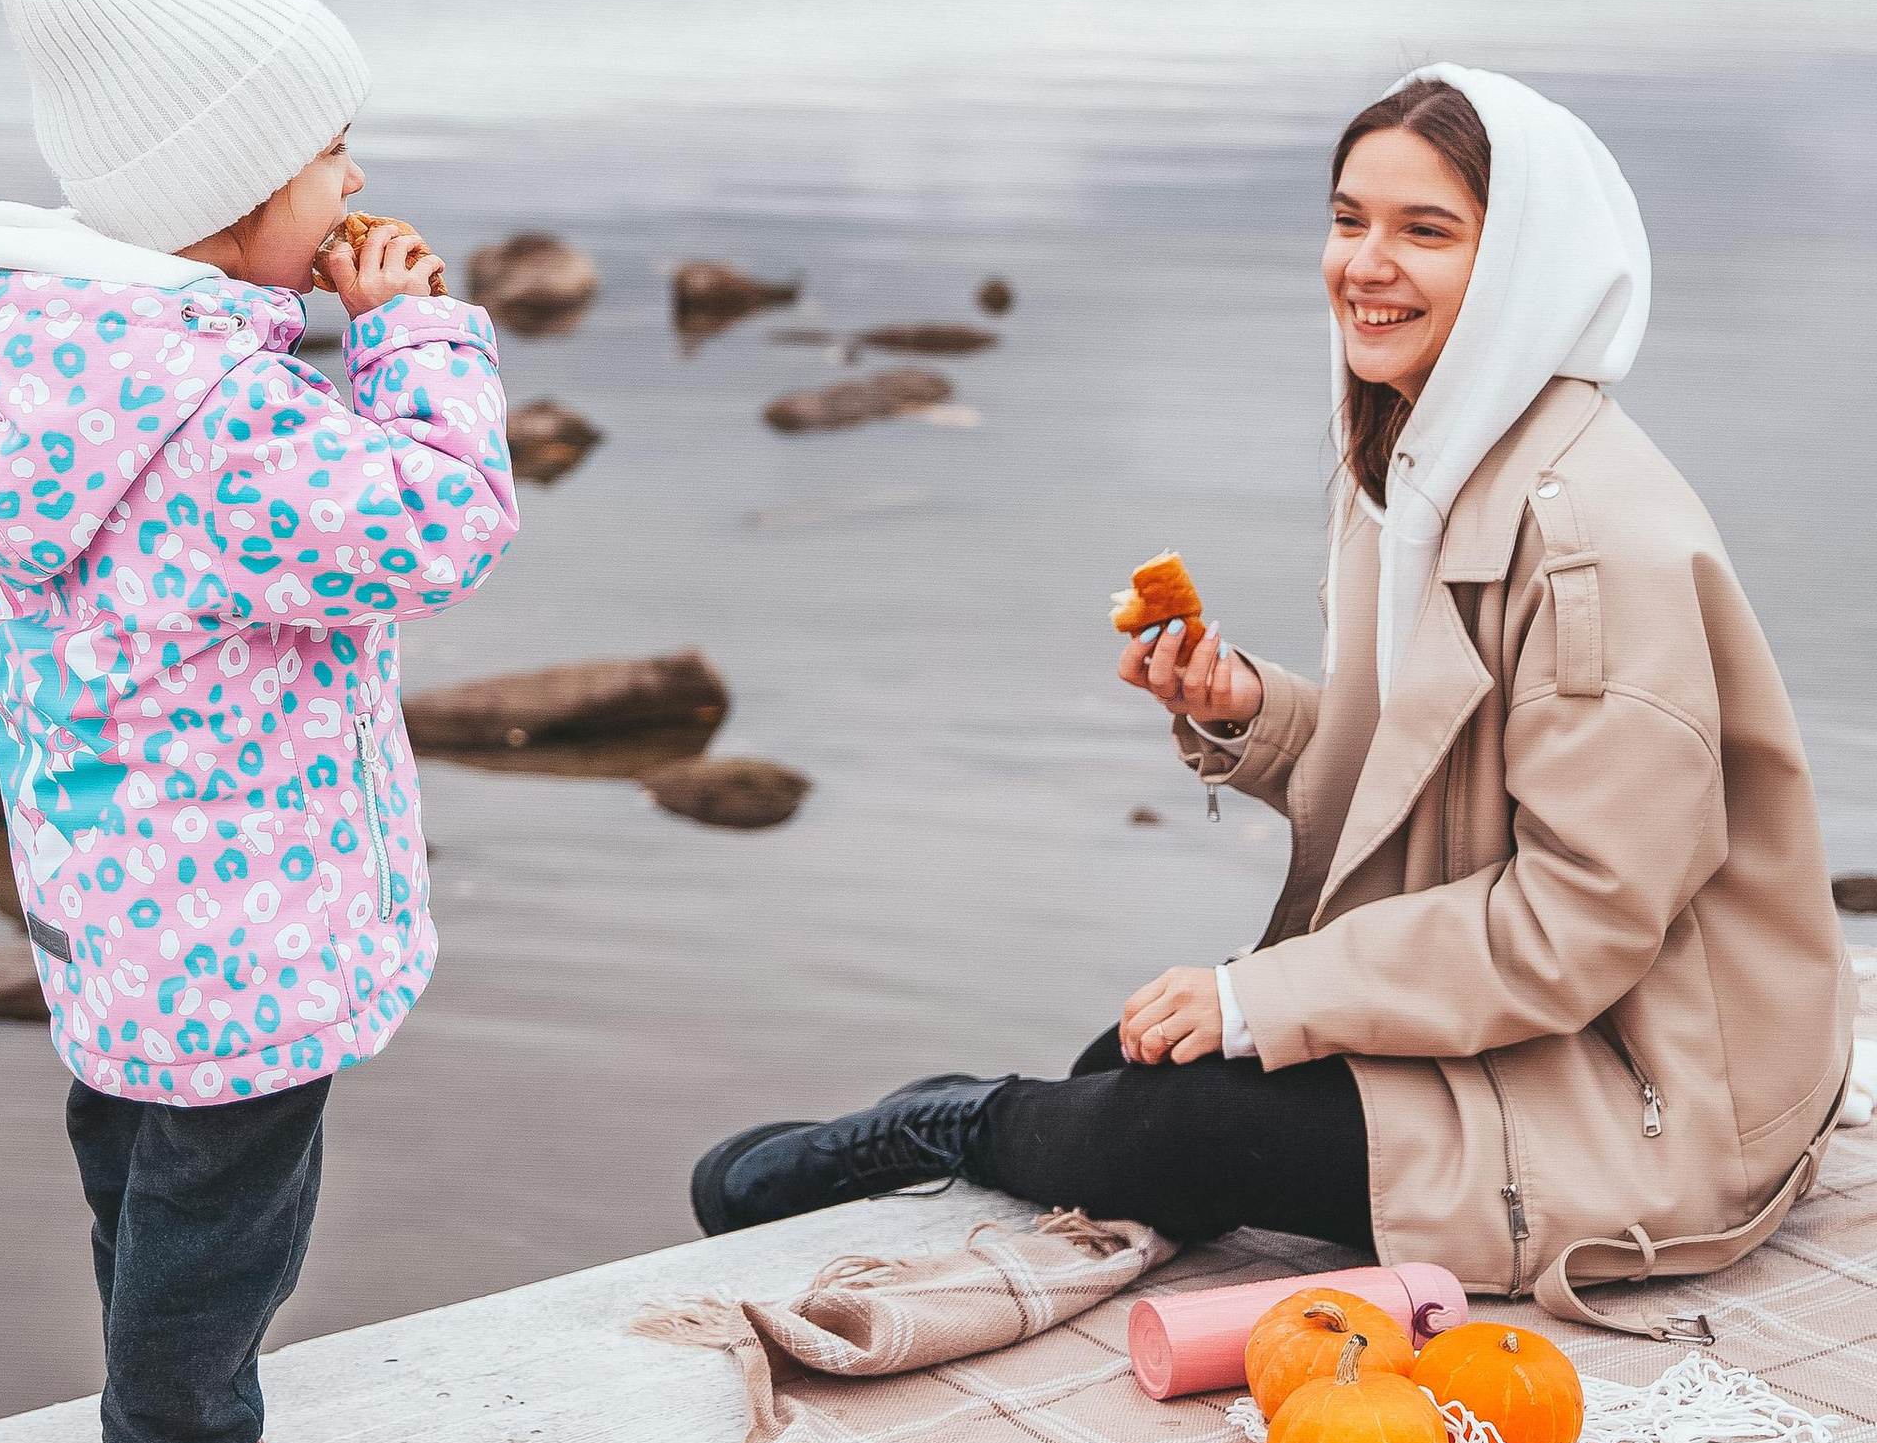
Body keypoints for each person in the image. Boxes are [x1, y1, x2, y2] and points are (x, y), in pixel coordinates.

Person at [691, 65, 1853, 1333]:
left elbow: (1579, 920)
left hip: (1655, 1097)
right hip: (1544, 1023)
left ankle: (938, 1122)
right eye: (1350, 218)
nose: (1364, 264)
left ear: (1523, 263)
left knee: (1177, 1120)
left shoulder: (1589, 547)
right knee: (1133, 1065)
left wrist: (1264, 1000)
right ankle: (977, 1109)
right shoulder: (1424, 465)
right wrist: (1251, 712)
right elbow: (1429, 790)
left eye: (1426, 231)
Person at [0, 0, 517, 1443]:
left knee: (150, 1195)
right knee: (229, 1222)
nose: (354, 179)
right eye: (327, 156)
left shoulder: (71, 367)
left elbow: (248, 509)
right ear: (234, 201)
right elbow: (439, 522)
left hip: (121, 906)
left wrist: (311, 345)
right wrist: (416, 341)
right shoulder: (218, 423)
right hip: (241, 917)